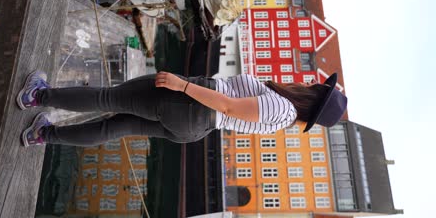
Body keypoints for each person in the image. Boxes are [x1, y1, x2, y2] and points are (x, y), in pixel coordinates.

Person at [18, 70, 347, 147]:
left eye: (319, 86)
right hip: (193, 126)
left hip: (192, 105)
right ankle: (42, 134)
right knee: (114, 127)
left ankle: (37, 97)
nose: (312, 83)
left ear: (315, 94)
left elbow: (230, 106)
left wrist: (183, 86)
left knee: (108, 99)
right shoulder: (284, 112)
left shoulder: (282, 109)